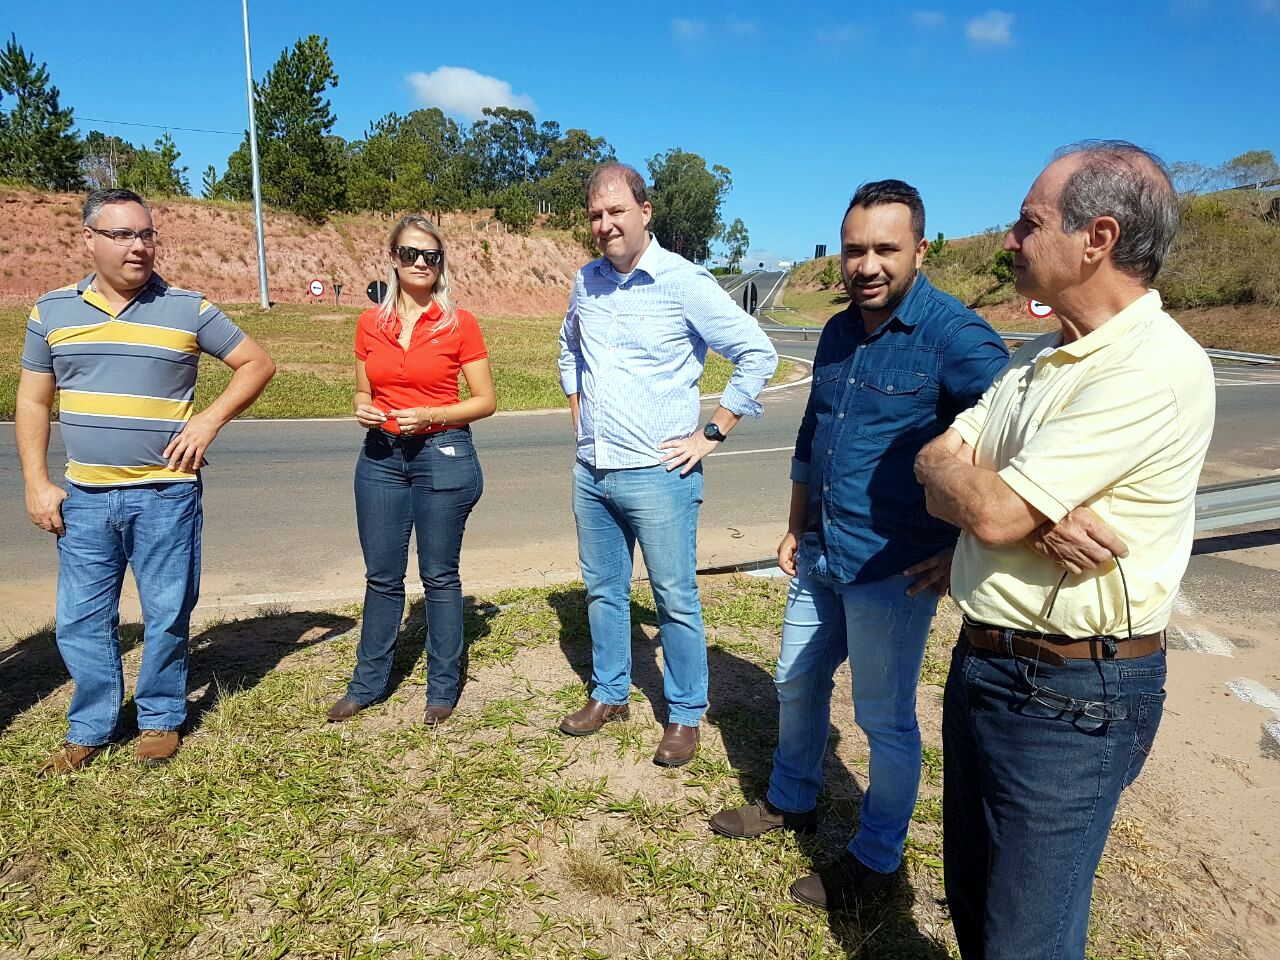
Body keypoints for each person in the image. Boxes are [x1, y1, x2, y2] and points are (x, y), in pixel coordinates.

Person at [914, 141, 1215, 960]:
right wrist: (1015, 505)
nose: (1009, 241)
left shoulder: (1153, 367)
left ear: (1099, 237)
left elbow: (994, 510)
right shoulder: (1037, 360)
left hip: (1071, 694)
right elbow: (934, 458)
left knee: (1027, 941)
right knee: (976, 904)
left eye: (1028, 223)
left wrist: (1004, 503)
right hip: (987, 666)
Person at [708, 181, 1009, 910]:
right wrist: (793, 523)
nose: (867, 264)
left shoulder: (957, 338)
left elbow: (1016, 438)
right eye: (854, 249)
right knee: (794, 678)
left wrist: (968, 546)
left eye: (884, 249)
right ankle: (793, 798)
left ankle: (876, 861)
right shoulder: (841, 330)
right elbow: (814, 436)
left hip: (894, 570)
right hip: (822, 550)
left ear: (920, 250)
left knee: (883, 719)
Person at [17, 188, 276, 775]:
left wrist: (207, 421)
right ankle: (90, 726)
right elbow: (34, 400)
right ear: (89, 240)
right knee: (81, 618)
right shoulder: (52, 311)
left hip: (167, 493)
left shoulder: (188, 308)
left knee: (166, 611)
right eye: (123, 235)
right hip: (83, 496)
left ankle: (159, 719)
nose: (139, 246)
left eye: (147, 234)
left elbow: (256, 363)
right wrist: (36, 481)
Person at [556, 163, 778, 767]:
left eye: (616, 212)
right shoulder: (586, 282)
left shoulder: (684, 282)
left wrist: (713, 433)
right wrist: (580, 414)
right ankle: (609, 693)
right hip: (592, 471)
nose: (605, 225)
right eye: (596, 216)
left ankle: (684, 712)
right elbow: (569, 347)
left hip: (660, 474)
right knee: (603, 591)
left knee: (674, 597)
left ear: (645, 212)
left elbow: (757, 353)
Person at [326, 214, 495, 727]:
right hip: (381, 456)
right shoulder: (368, 323)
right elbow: (363, 388)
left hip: (441, 452)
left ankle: (442, 689)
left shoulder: (459, 323)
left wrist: (434, 414)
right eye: (410, 254)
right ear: (393, 259)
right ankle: (367, 684)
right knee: (382, 577)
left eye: (431, 255)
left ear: (441, 264)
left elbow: (486, 401)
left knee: (439, 575)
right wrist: (361, 405)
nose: (420, 263)